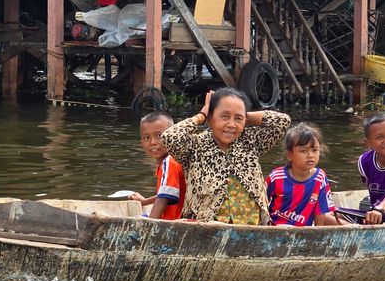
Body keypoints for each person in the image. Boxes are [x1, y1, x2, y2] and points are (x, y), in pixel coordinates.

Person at [161, 87, 291, 224]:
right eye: (225, 116)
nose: (231, 125)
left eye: (237, 119)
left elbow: (282, 121)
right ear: (210, 119)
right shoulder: (195, 146)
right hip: (205, 227)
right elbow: (169, 137)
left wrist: (245, 117)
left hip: (251, 226)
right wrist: (202, 115)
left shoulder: (251, 141)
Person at [265, 123, 345, 226]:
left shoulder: (319, 178)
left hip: (303, 234)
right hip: (274, 230)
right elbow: (261, 203)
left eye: (314, 150)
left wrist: (318, 235)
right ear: (289, 155)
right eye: (303, 151)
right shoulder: (277, 177)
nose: (310, 155)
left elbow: (320, 211)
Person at [129, 111, 186, 220]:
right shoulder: (176, 160)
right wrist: (145, 202)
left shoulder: (170, 162)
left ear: (173, 136)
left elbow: (164, 198)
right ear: (141, 143)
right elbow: (171, 192)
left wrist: (149, 225)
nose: (153, 142)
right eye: (147, 138)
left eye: (159, 136)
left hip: (173, 222)